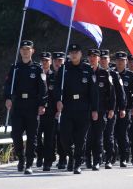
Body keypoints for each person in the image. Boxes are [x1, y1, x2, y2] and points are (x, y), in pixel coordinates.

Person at [3, 40, 48, 175]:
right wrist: (7, 98)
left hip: (32, 106)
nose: (25, 51)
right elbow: (8, 85)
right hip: (18, 105)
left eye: (28, 49)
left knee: (32, 136)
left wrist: (42, 104)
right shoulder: (15, 68)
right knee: (16, 134)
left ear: (32, 51)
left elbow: (43, 87)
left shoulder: (37, 68)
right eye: (23, 49)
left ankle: (29, 163)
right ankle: (21, 158)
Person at [55, 44, 98, 174]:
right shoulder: (64, 69)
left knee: (80, 138)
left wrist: (94, 109)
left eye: (76, 52)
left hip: (83, 107)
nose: (74, 54)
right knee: (64, 137)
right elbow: (57, 88)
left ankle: (77, 163)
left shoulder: (87, 69)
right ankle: (71, 155)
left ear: (80, 54)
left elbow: (93, 91)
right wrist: (58, 100)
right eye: (71, 52)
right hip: (67, 107)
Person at [85, 49, 116, 171]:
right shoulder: (84, 72)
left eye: (95, 56)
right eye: (90, 56)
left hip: (101, 110)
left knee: (98, 137)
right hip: (86, 110)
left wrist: (111, 109)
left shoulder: (105, 74)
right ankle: (87, 159)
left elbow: (112, 93)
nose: (92, 58)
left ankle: (97, 161)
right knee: (87, 137)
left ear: (98, 58)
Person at [100, 49, 126, 169]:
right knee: (98, 135)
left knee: (109, 135)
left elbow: (120, 93)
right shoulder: (94, 73)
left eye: (105, 58)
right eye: (102, 58)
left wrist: (122, 108)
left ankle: (109, 159)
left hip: (111, 110)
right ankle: (99, 157)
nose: (103, 60)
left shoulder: (114, 75)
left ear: (109, 60)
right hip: (98, 109)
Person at [114, 51, 133, 167]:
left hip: (126, 109)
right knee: (111, 135)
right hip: (112, 109)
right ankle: (112, 157)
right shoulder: (111, 74)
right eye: (118, 60)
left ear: (126, 62)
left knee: (123, 134)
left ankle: (124, 158)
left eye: (123, 61)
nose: (120, 63)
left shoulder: (131, 76)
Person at [36, 51, 61, 171]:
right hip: (37, 111)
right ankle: (39, 155)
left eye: (47, 60)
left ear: (50, 62)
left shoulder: (55, 76)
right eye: (43, 60)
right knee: (36, 136)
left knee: (49, 138)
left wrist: (57, 110)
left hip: (50, 112)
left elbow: (57, 95)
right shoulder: (36, 74)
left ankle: (47, 161)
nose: (45, 62)